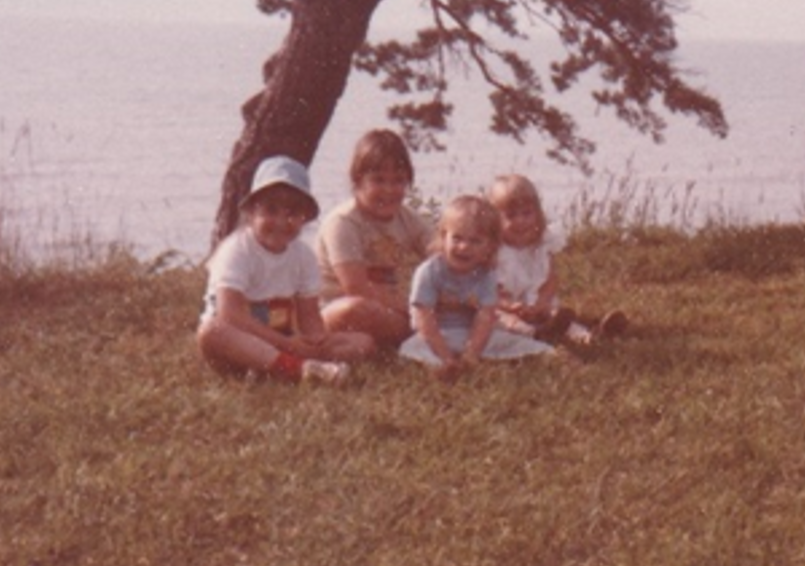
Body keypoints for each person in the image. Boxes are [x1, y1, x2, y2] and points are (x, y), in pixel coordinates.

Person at [196, 155, 372, 386]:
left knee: (363, 342)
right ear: (251, 213)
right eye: (270, 210)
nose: (280, 221)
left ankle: (286, 368)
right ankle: (299, 369)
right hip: (238, 341)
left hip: (282, 338)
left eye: (291, 213)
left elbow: (309, 317)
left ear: (304, 218)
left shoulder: (304, 256)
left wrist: (315, 340)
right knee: (211, 330)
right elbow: (231, 315)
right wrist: (289, 345)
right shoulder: (236, 250)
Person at [399, 194, 557, 382]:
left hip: (473, 333)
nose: (464, 247)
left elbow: (484, 318)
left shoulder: (486, 275)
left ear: (490, 246)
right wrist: (445, 355)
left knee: (512, 342)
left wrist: (471, 354)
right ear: (443, 236)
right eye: (457, 238)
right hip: (436, 334)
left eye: (475, 241)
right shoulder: (429, 272)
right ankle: (444, 367)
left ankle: (551, 355)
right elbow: (424, 320)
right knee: (411, 348)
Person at [316, 129, 434, 355]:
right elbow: (356, 288)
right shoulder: (343, 222)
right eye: (378, 180)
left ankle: (418, 333)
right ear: (358, 180)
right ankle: (425, 333)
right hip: (334, 312)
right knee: (354, 309)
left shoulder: (406, 217)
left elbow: (440, 253)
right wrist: (416, 309)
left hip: (389, 312)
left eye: (398, 180)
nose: (389, 190)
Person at [489, 173, 627, 345]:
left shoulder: (542, 245)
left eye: (527, 213)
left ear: (537, 213)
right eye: (511, 216)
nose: (520, 221)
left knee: (556, 314)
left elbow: (550, 278)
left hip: (536, 302)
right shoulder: (493, 252)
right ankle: (536, 333)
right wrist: (510, 306)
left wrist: (542, 301)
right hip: (508, 308)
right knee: (499, 319)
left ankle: (589, 336)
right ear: (494, 219)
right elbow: (488, 291)